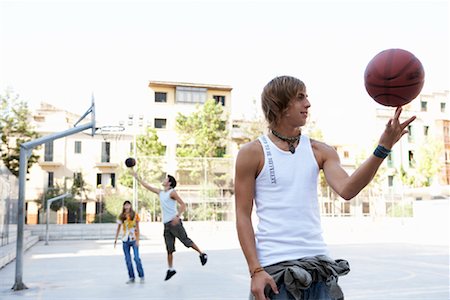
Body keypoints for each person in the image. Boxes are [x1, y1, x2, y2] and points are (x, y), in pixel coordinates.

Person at [234, 75, 416, 300]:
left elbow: (348, 189)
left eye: (307, 97)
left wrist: (383, 148)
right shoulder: (252, 153)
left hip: (319, 266)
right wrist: (256, 270)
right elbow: (243, 215)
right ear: (280, 104)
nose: (308, 104)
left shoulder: (320, 151)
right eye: (300, 98)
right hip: (275, 268)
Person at [131, 171, 208, 281]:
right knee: (169, 249)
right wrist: (137, 177)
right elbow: (147, 186)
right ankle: (171, 269)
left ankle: (202, 254)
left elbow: (183, 205)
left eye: (166, 179)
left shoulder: (172, 192)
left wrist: (177, 216)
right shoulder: (161, 192)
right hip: (166, 225)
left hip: (175, 223)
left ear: (170, 183)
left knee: (186, 241)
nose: (164, 180)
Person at [114, 200, 145, 284]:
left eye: (128, 205)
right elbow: (118, 228)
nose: (127, 206)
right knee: (128, 260)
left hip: (133, 239)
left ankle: (141, 276)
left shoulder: (135, 215)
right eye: (125, 205)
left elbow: (138, 228)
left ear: (130, 206)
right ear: (123, 206)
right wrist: (116, 239)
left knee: (136, 258)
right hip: (125, 240)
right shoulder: (121, 216)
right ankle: (131, 277)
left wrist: (138, 240)